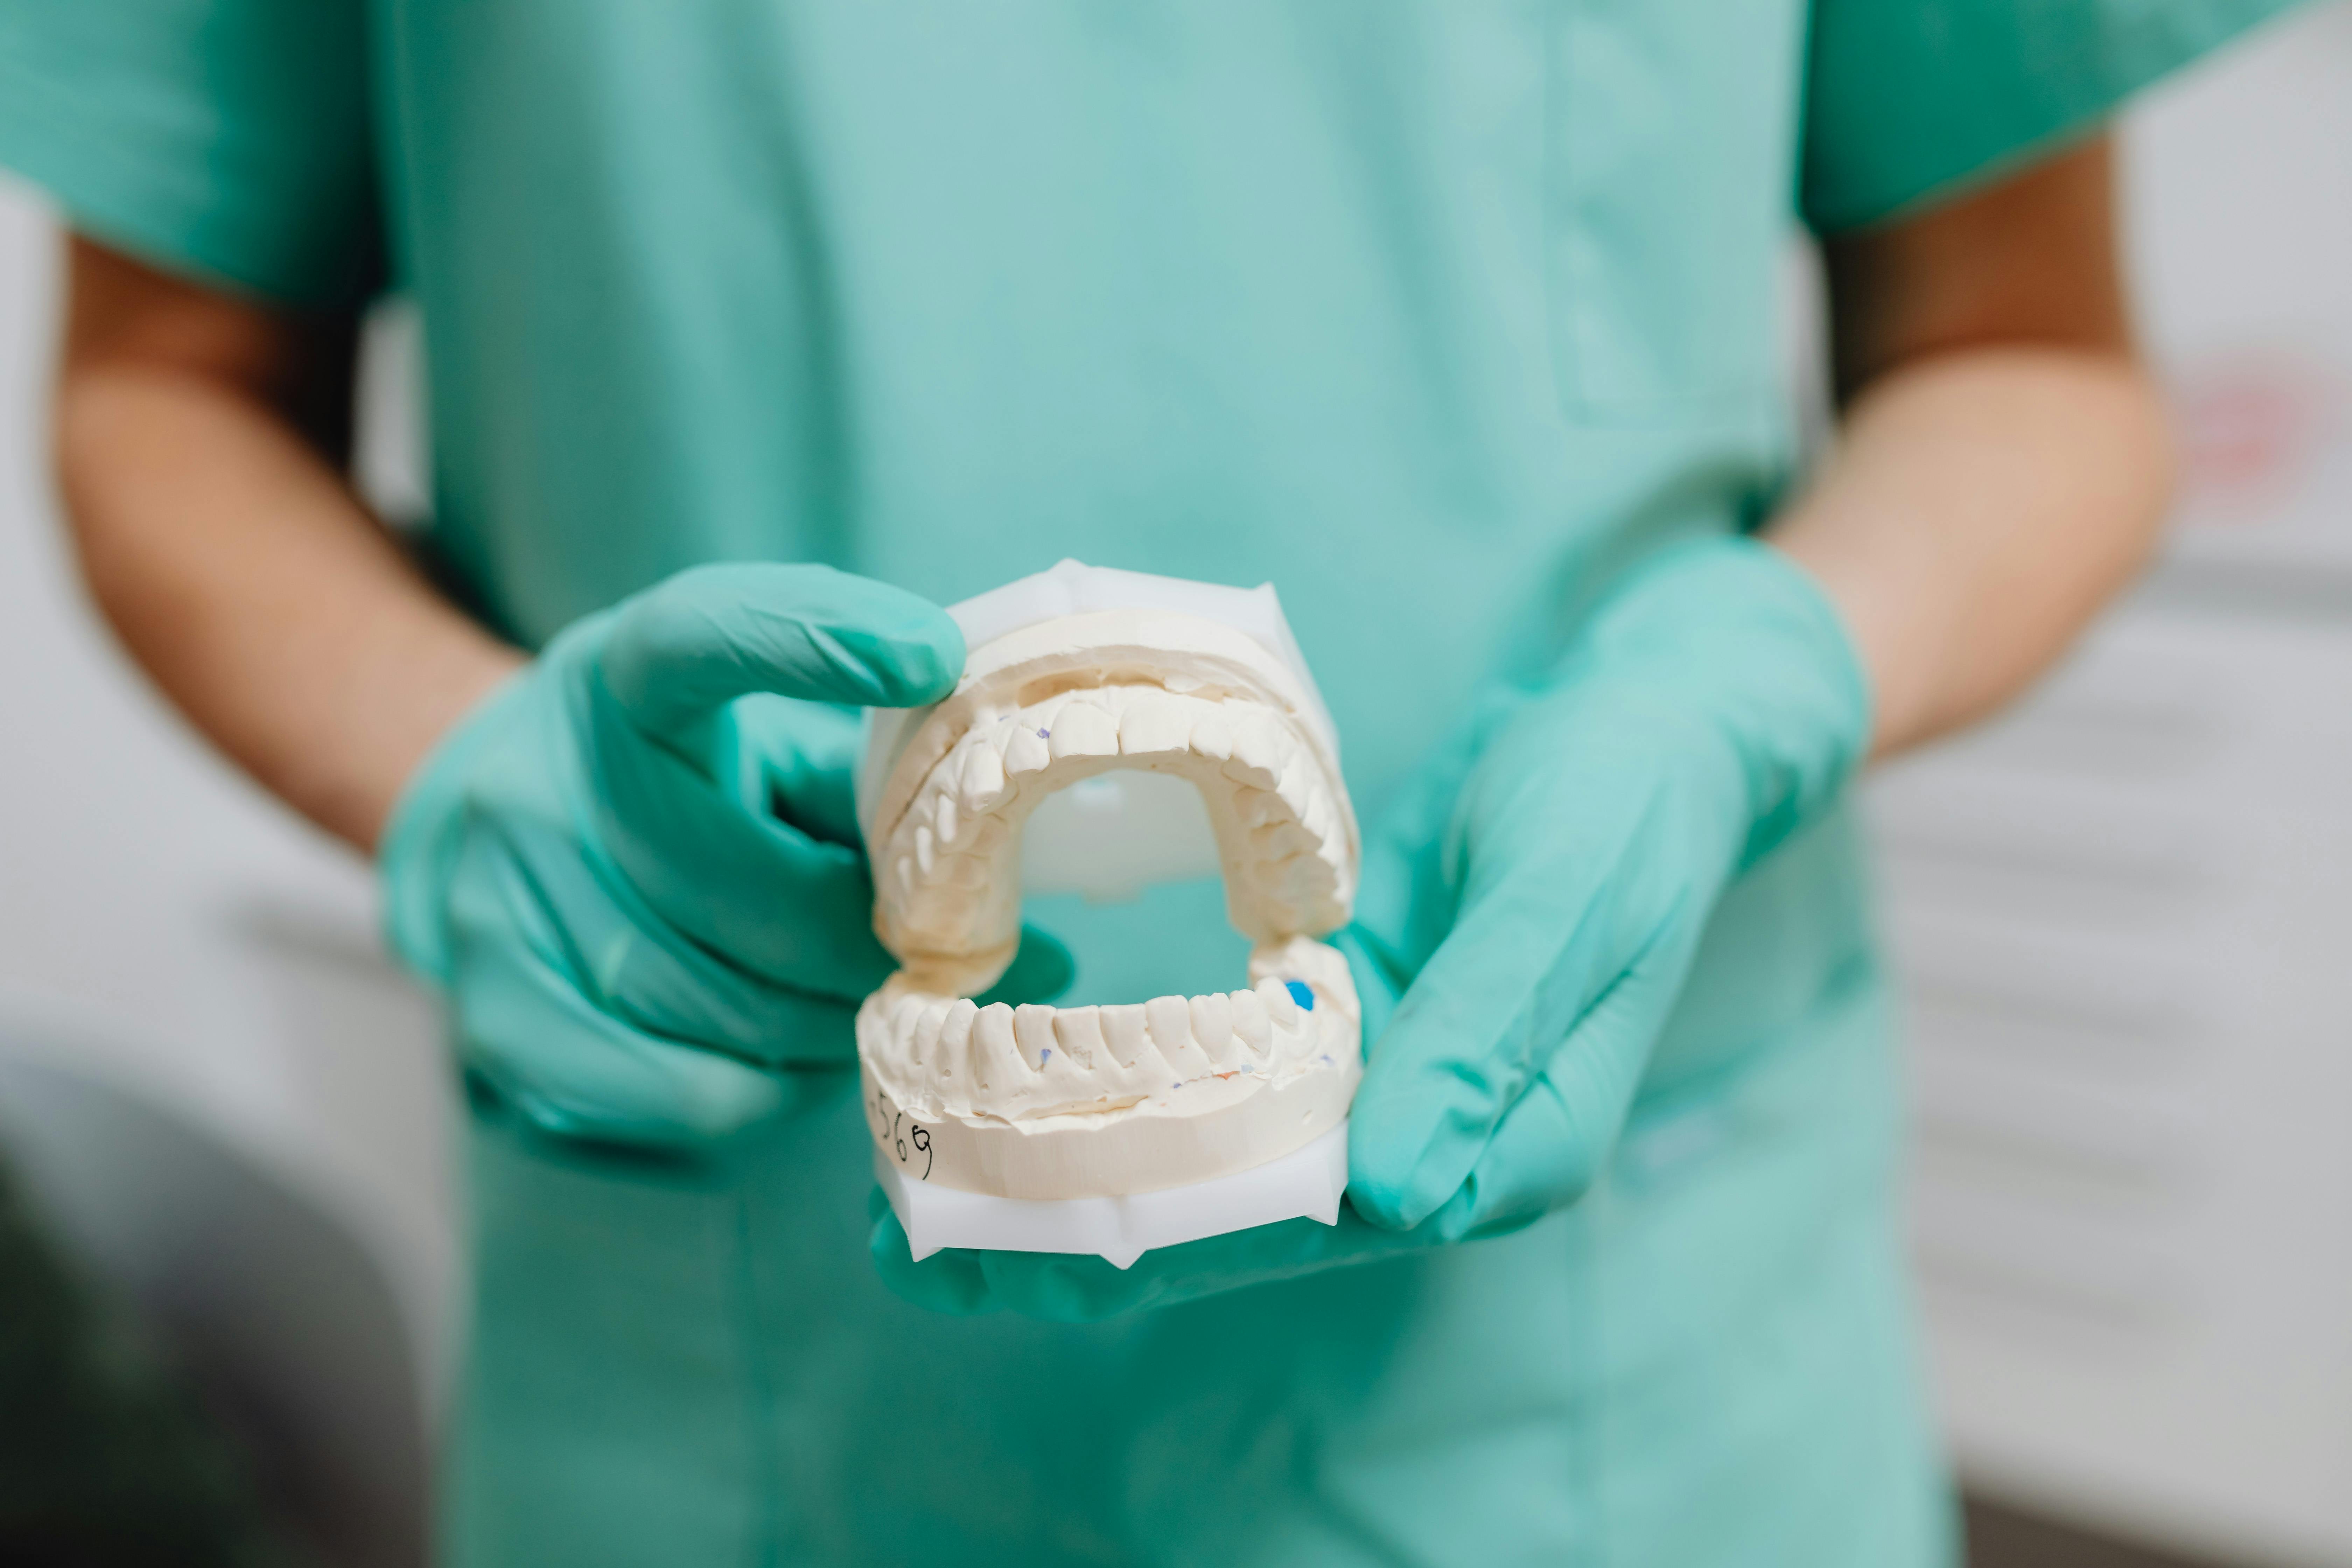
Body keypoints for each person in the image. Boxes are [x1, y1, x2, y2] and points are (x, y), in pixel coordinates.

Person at [0, 2, 2299, 1563]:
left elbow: (2027, 345)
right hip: (733, 1384)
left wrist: (1764, 671)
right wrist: (456, 770)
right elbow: (167, 383)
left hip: (1627, 1395)